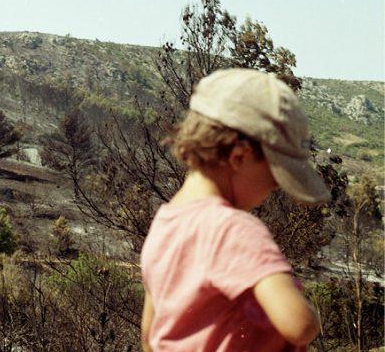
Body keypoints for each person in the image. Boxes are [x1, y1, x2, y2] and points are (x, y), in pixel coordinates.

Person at [140, 69, 328, 351]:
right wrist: (309, 315)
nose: (276, 187)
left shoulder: (164, 224)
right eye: (275, 176)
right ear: (240, 155)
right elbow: (299, 325)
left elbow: (149, 335)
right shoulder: (234, 229)